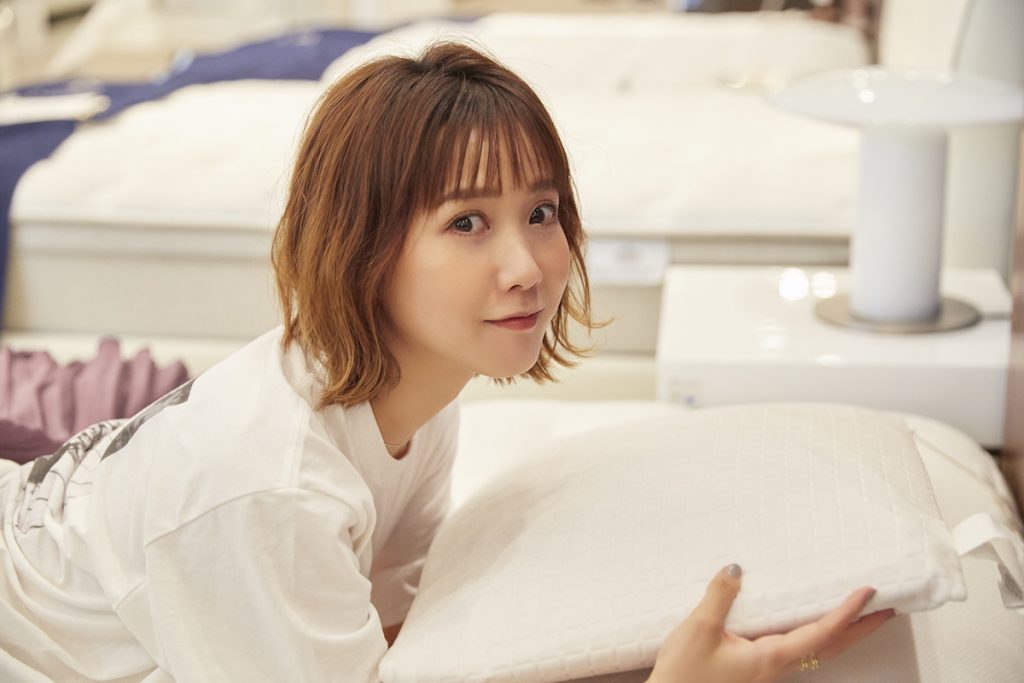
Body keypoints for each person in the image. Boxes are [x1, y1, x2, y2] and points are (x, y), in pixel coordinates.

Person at [0, 42, 892, 682]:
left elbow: (402, 634)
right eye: (467, 222)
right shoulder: (271, 489)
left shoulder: (417, 399)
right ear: (364, 245)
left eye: (541, 213)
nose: (526, 266)